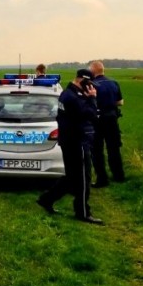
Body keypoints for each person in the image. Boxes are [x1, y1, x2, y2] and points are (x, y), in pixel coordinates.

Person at [37, 69, 104, 224]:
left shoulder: (68, 94)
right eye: (90, 85)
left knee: (71, 177)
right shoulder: (73, 98)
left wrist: (87, 100)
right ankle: (83, 212)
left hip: (69, 141)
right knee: (83, 179)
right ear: (83, 81)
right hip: (77, 142)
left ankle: (46, 199)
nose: (91, 88)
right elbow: (91, 115)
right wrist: (92, 99)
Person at [89, 61, 125, 186]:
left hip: (97, 121)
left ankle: (102, 179)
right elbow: (120, 102)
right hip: (112, 119)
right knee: (114, 148)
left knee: (97, 151)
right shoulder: (113, 83)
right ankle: (119, 175)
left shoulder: (91, 85)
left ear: (93, 71)